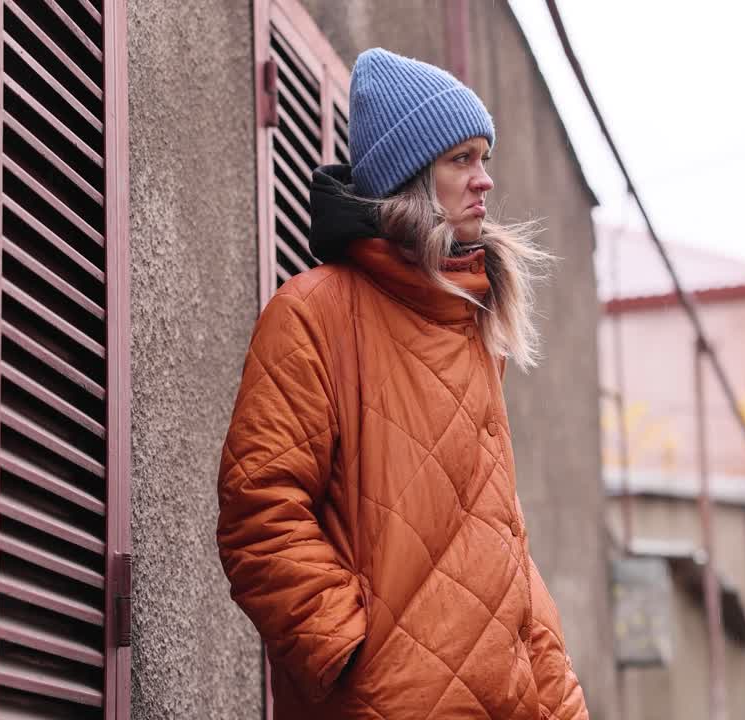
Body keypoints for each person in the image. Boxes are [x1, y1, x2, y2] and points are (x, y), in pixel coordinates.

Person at [217, 47, 589, 719]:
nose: (485, 181)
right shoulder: (313, 312)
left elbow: (503, 547)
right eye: (462, 159)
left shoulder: (471, 326)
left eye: (485, 157)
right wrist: (355, 661)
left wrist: (560, 701)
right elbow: (260, 512)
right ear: (412, 177)